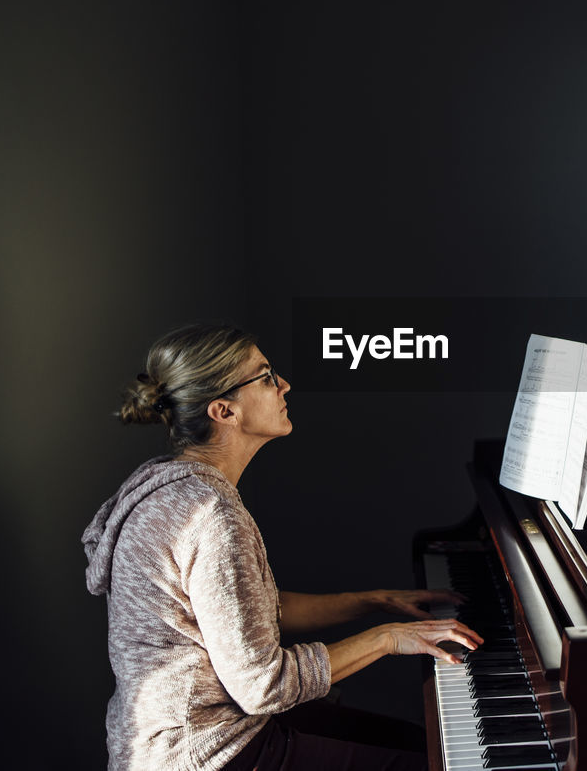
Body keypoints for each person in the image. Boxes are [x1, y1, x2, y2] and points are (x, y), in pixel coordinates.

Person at [82, 323, 481, 770]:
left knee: (429, 748)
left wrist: (374, 602)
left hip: (199, 733)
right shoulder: (210, 515)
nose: (284, 385)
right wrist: (386, 639)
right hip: (204, 754)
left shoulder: (166, 485)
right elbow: (262, 686)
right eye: (266, 376)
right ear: (224, 411)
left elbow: (249, 614)